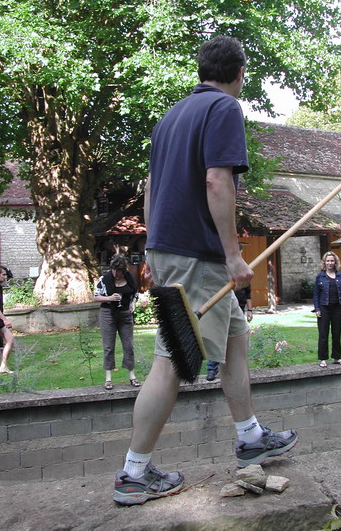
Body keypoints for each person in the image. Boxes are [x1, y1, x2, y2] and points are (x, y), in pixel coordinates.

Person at [113, 35, 298, 506]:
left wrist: (153, 247)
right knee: (174, 357)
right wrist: (233, 254)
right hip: (197, 255)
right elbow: (217, 180)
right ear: (239, 73)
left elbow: (152, 186)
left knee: (235, 338)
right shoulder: (224, 108)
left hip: (172, 250)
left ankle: (250, 436)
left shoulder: (171, 117)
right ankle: (134, 473)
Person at [94, 254, 140, 390]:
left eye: (118, 271)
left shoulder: (130, 278)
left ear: (123, 270)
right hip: (108, 314)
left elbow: (135, 293)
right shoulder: (104, 279)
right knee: (108, 346)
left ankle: (132, 376)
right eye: (113, 270)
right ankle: (108, 378)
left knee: (129, 346)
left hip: (125, 314)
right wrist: (109, 298)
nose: (115, 274)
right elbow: (96, 296)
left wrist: (132, 304)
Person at [206, 283, 253, 381]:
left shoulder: (244, 278)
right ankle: (212, 369)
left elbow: (248, 295)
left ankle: (233, 369)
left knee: (235, 340)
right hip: (221, 308)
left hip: (238, 310)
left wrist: (250, 310)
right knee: (217, 337)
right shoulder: (224, 276)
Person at [313, 251, 341, 367]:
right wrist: (317, 308)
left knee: (336, 334)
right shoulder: (320, 276)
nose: (330, 263)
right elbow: (316, 294)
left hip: (337, 308)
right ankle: (322, 359)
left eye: (332, 261)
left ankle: (337, 357)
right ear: (324, 262)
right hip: (324, 308)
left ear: (335, 262)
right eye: (328, 261)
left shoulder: (340, 276)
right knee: (323, 334)